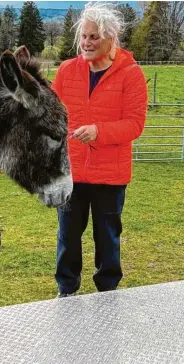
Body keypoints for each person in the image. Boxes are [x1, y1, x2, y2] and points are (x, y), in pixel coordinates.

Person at [51, 2, 147, 297]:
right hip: (72, 172)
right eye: (84, 36)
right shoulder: (67, 71)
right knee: (68, 236)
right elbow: (53, 115)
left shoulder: (131, 75)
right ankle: (66, 290)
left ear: (111, 38)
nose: (87, 43)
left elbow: (134, 125)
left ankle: (108, 293)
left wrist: (98, 132)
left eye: (94, 37)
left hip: (110, 175)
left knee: (107, 238)